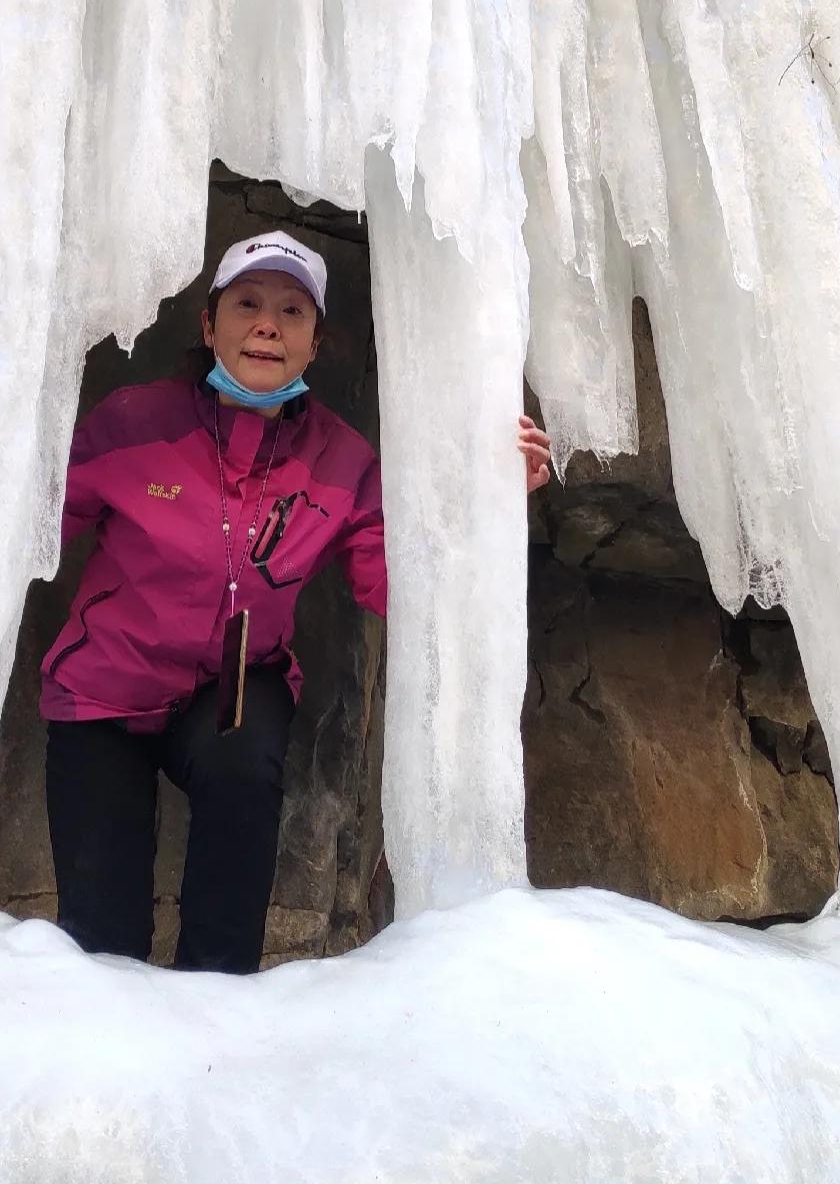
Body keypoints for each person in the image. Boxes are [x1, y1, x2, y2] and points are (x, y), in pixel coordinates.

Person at [43, 228, 553, 974]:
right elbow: (30, 520)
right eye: (247, 304)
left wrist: (493, 505)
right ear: (208, 323)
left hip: (232, 685)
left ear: (316, 342)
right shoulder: (133, 423)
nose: (267, 325)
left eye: (292, 311)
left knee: (244, 766)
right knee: (101, 939)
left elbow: (393, 581)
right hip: (104, 691)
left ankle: (217, 1002)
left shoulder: (343, 460)